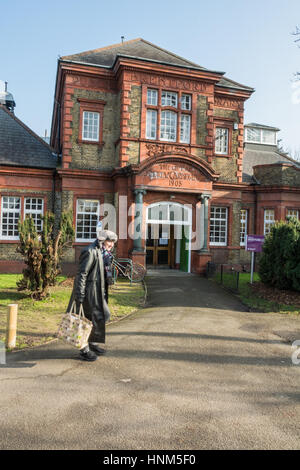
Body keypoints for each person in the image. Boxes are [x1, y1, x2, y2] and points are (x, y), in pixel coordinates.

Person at [67, 228, 117, 361]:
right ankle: (84, 350)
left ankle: (91, 342)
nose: (111, 244)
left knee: (102, 316)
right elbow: (81, 274)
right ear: (101, 240)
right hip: (88, 292)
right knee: (84, 321)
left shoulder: (103, 253)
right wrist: (80, 295)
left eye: (113, 242)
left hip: (98, 292)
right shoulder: (89, 251)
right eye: (109, 241)